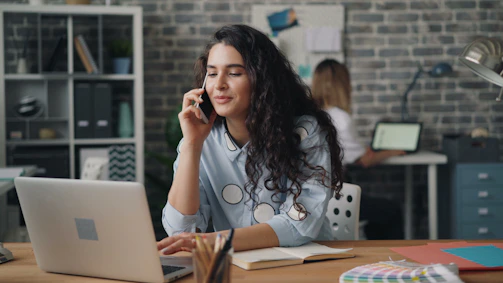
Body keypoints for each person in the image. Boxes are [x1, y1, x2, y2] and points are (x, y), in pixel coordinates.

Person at [157, 25, 345, 255]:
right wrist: (192, 145)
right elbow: (180, 229)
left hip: (305, 263)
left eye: (234, 73)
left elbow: (299, 223)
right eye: (212, 73)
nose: (219, 85)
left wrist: (214, 241)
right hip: (237, 266)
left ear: (262, 80)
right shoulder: (201, 140)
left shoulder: (304, 132)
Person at [311, 59, 405, 240]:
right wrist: (392, 152)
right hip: (335, 200)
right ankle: (388, 259)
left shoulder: (310, 115)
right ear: (342, 85)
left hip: (312, 198)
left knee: (379, 213)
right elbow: (365, 160)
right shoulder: (341, 118)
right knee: (391, 211)